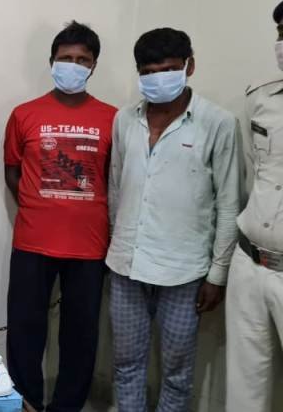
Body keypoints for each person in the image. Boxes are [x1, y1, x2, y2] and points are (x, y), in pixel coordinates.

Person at [107, 27, 242, 411]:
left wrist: (217, 275)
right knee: (126, 365)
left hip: (185, 272)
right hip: (127, 267)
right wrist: (116, 242)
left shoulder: (218, 123)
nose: (158, 78)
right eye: (148, 71)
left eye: (168, 69)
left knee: (177, 374)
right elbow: (116, 187)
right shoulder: (124, 120)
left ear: (189, 66)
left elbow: (228, 203)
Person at [3, 21, 116, 412]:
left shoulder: (113, 118)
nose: (73, 65)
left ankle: (67, 406)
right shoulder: (24, 114)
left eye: (82, 59)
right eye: (66, 58)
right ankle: (26, 404)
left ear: (94, 65)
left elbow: (114, 179)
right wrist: (41, 207)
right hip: (32, 241)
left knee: (81, 336)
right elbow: (13, 172)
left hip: (89, 246)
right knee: (24, 330)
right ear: (51, 61)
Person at [225, 0, 283, 412]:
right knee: (244, 389)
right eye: (281, 33)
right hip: (250, 262)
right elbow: (253, 172)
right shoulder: (261, 97)